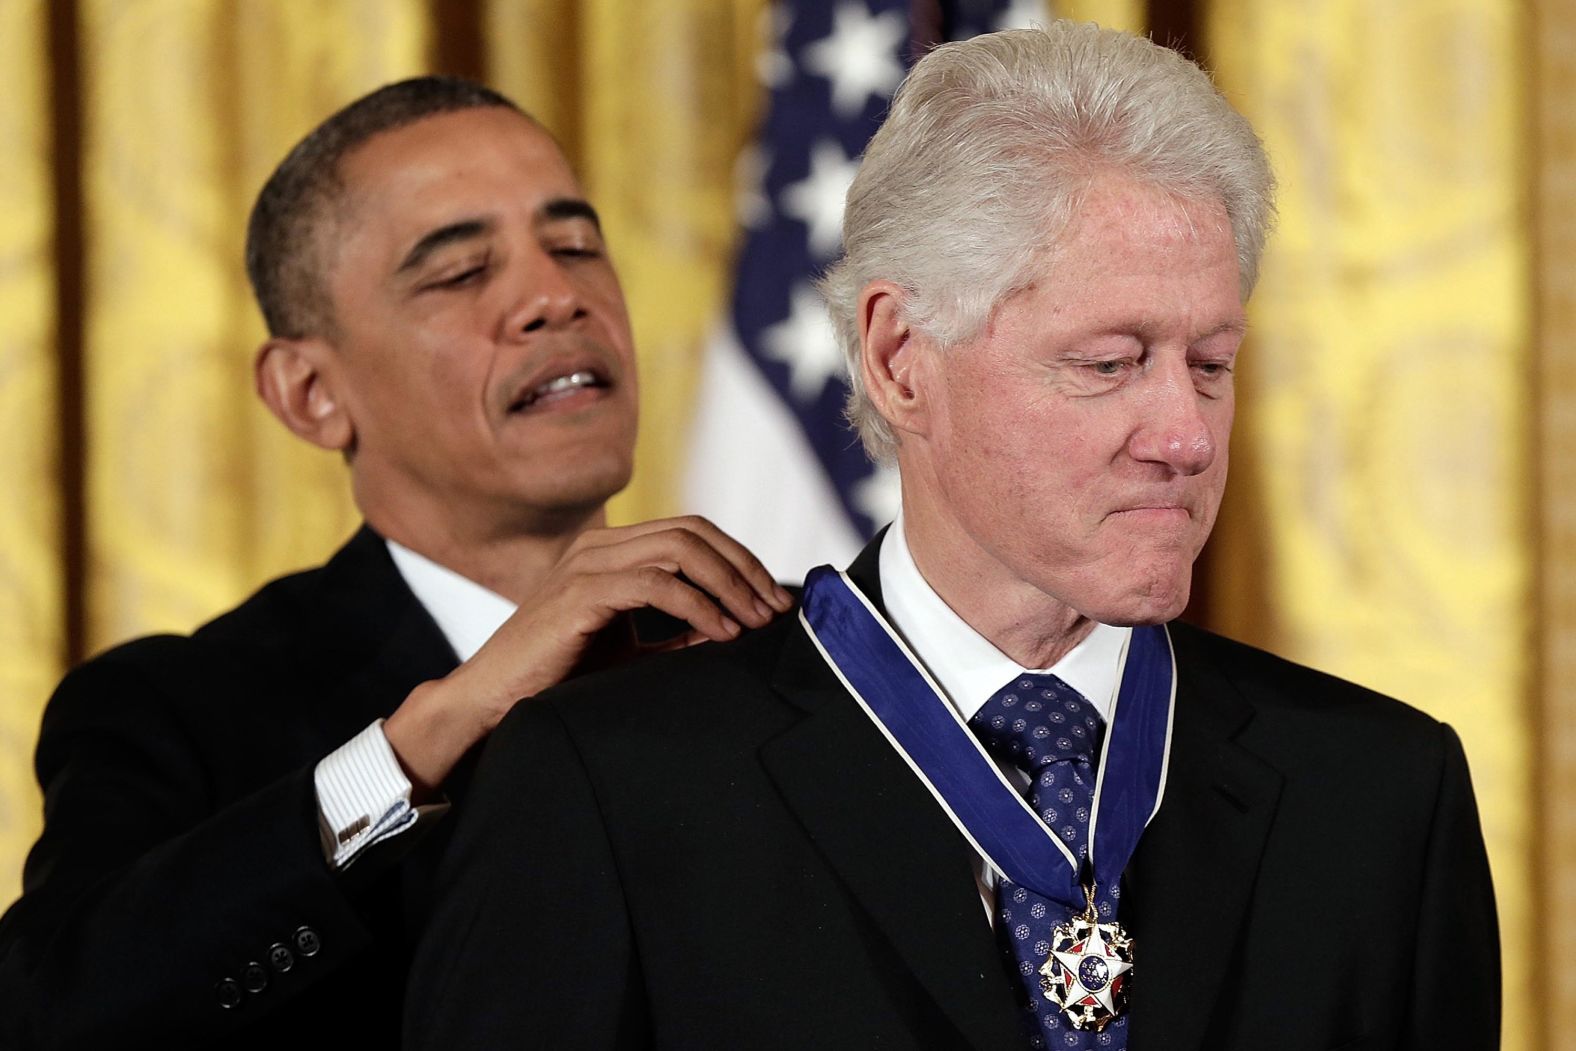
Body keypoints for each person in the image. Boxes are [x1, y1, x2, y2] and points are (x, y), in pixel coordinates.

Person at [405, 23, 1500, 1051]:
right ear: (898, 358)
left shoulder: (1383, 794)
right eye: (1109, 361)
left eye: (1209, 363)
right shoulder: (613, 788)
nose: (1185, 435)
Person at [0, 77, 791, 1050]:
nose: (554, 296)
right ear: (311, 393)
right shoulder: (178, 709)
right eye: (460, 272)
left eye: (576, 244)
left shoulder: (780, 650)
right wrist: (430, 734)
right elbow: (53, 1016)